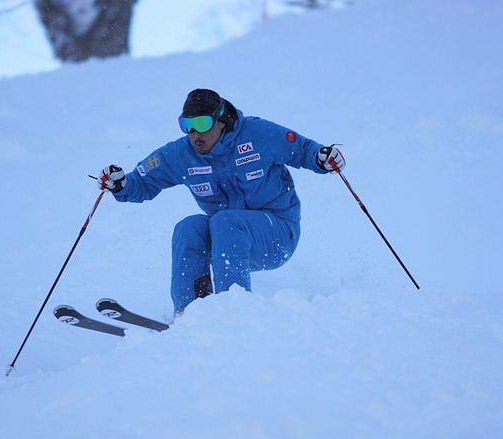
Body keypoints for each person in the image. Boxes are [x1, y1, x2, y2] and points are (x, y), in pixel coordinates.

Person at [99, 88, 345, 316]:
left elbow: (303, 150)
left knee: (225, 221)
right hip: (226, 235)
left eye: (202, 124)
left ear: (221, 120)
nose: (195, 134)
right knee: (189, 228)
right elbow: (142, 182)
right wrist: (121, 185)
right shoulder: (182, 154)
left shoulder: (258, 134)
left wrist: (322, 158)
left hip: (278, 232)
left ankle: (233, 311)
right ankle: (191, 312)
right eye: (187, 125)